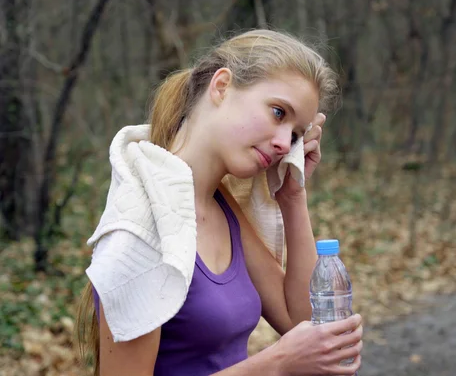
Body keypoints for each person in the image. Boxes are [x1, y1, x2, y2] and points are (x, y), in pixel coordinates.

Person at [75, 29, 363, 376]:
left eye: (297, 134)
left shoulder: (220, 208)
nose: (285, 144)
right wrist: (277, 364)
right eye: (278, 112)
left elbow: (301, 320)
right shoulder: (141, 227)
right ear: (222, 86)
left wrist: (292, 196)